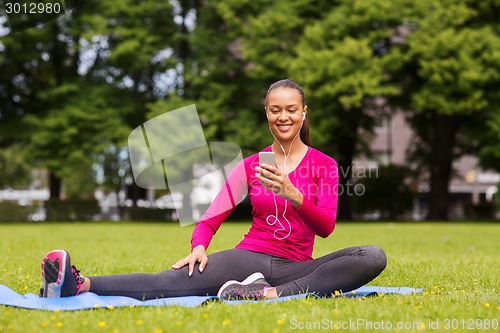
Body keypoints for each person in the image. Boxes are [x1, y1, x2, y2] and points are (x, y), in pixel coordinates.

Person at [39, 79, 387, 300]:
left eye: (291, 110)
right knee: (168, 282)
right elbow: (211, 217)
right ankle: (77, 283)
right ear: (266, 114)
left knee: (371, 256)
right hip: (248, 257)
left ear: (304, 113)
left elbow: (326, 228)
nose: (284, 117)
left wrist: (293, 194)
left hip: (297, 268)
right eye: (275, 110)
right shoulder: (251, 166)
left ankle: (268, 295)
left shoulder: (324, 165)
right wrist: (198, 246)